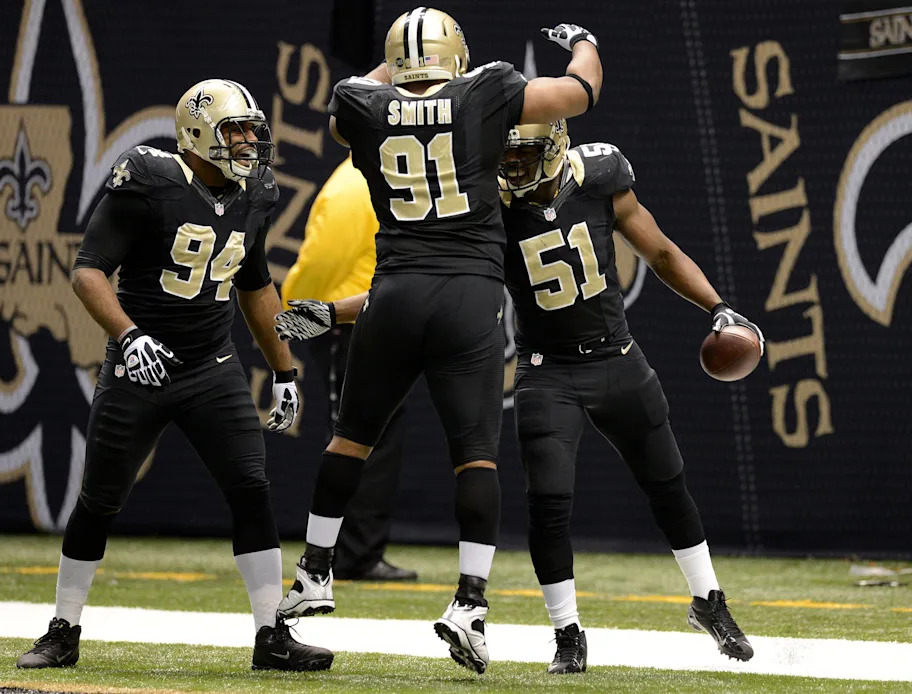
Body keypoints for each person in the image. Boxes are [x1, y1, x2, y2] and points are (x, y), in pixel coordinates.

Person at [273, 8, 604, 674]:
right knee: (475, 455)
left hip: (391, 292)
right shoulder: (487, 90)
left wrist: (393, 71)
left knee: (349, 439)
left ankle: (314, 571)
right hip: (468, 296)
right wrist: (586, 44)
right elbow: (581, 94)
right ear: (456, 54)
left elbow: (350, 114)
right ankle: (469, 604)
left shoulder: (363, 103)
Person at [15, 79, 332, 673]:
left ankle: (271, 635)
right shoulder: (150, 180)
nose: (248, 142)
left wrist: (284, 368)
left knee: (251, 490)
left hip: (211, 364)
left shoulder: (258, 189)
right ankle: (63, 628)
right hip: (141, 366)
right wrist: (128, 336)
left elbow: (256, 285)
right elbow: (88, 272)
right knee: (99, 500)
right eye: (233, 130)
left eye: (251, 130)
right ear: (195, 135)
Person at [496, 120, 762, 672]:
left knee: (669, 484)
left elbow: (660, 253)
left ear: (555, 148)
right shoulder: (485, 203)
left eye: (525, 153)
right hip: (547, 371)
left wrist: (718, 306)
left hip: (616, 357)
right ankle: (567, 634)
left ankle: (709, 602)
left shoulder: (600, 177)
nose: (514, 165)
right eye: (507, 154)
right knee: (548, 504)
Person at [281, 155, 418, 582]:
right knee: (358, 436)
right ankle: (350, 554)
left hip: (368, 317)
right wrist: (298, 312)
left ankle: (356, 551)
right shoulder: (357, 183)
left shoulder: (366, 177)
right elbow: (322, 261)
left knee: (373, 434)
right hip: (349, 322)